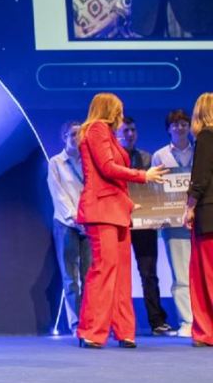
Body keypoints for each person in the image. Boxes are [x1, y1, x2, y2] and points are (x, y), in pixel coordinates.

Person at [76, 93, 167, 348]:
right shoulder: (96, 129)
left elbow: (113, 179)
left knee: (122, 274)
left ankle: (124, 330)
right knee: (104, 270)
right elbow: (106, 168)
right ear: (110, 110)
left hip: (116, 209)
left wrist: (127, 202)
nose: (121, 115)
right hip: (101, 209)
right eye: (119, 110)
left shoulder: (107, 134)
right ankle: (91, 331)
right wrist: (143, 175)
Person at [118, 116, 174, 335]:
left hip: (144, 223)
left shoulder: (147, 158)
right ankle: (119, 324)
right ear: (116, 134)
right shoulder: (112, 159)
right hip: (119, 221)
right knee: (118, 275)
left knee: (149, 273)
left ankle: (157, 321)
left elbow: (156, 190)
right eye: (125, 130)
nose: (130, 134)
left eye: (133, 130)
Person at [151, 108, 195, 336]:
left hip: (201, 222)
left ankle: (206, 320)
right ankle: (187, 322)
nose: (180, 128)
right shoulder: (160, 156)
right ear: (168, 129)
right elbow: (154, 191)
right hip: (174, 225)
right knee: (181, 275)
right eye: (175, 124)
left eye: (184, 123)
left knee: (205, 274)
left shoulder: (201, 151)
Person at [47, 121, 91, 333]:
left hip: (88, 223)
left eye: (80, 134)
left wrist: (87, 218)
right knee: (70, 277)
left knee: (89, 275)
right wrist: (74, 217)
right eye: (73, 134)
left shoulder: (89, 161)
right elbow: (58, 194)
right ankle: (76, 323)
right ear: (64, 137)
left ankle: (91, 321)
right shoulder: (56, 162)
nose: (77, 138)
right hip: (66, 223)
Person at [184, 93, 213, 347]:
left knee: (205, 276)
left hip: (208, 214)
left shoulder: (206, 136)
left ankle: (206, 331)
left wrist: (190, 207)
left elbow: (201, 178)